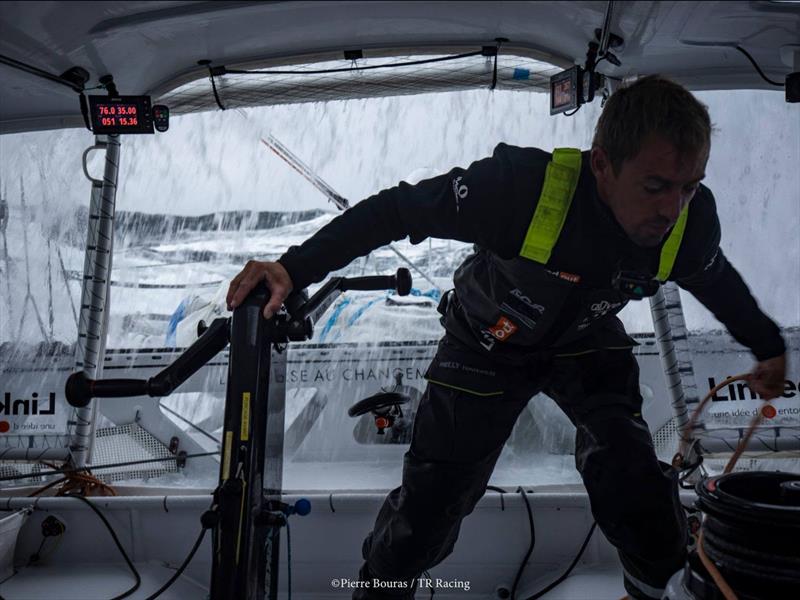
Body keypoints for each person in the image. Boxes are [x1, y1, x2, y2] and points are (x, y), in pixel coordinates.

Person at [226, 76, 786, 600]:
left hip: (586, 341)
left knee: (637, 488)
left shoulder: (689, 225)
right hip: (484, 345)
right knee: (428, 515)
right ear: (602, 166)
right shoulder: (518, 189)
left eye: (690, 187)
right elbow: (396, 212)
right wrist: (294, 268)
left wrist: (766, 345)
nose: (673, 210)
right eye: (657, 186)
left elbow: (715, 281)